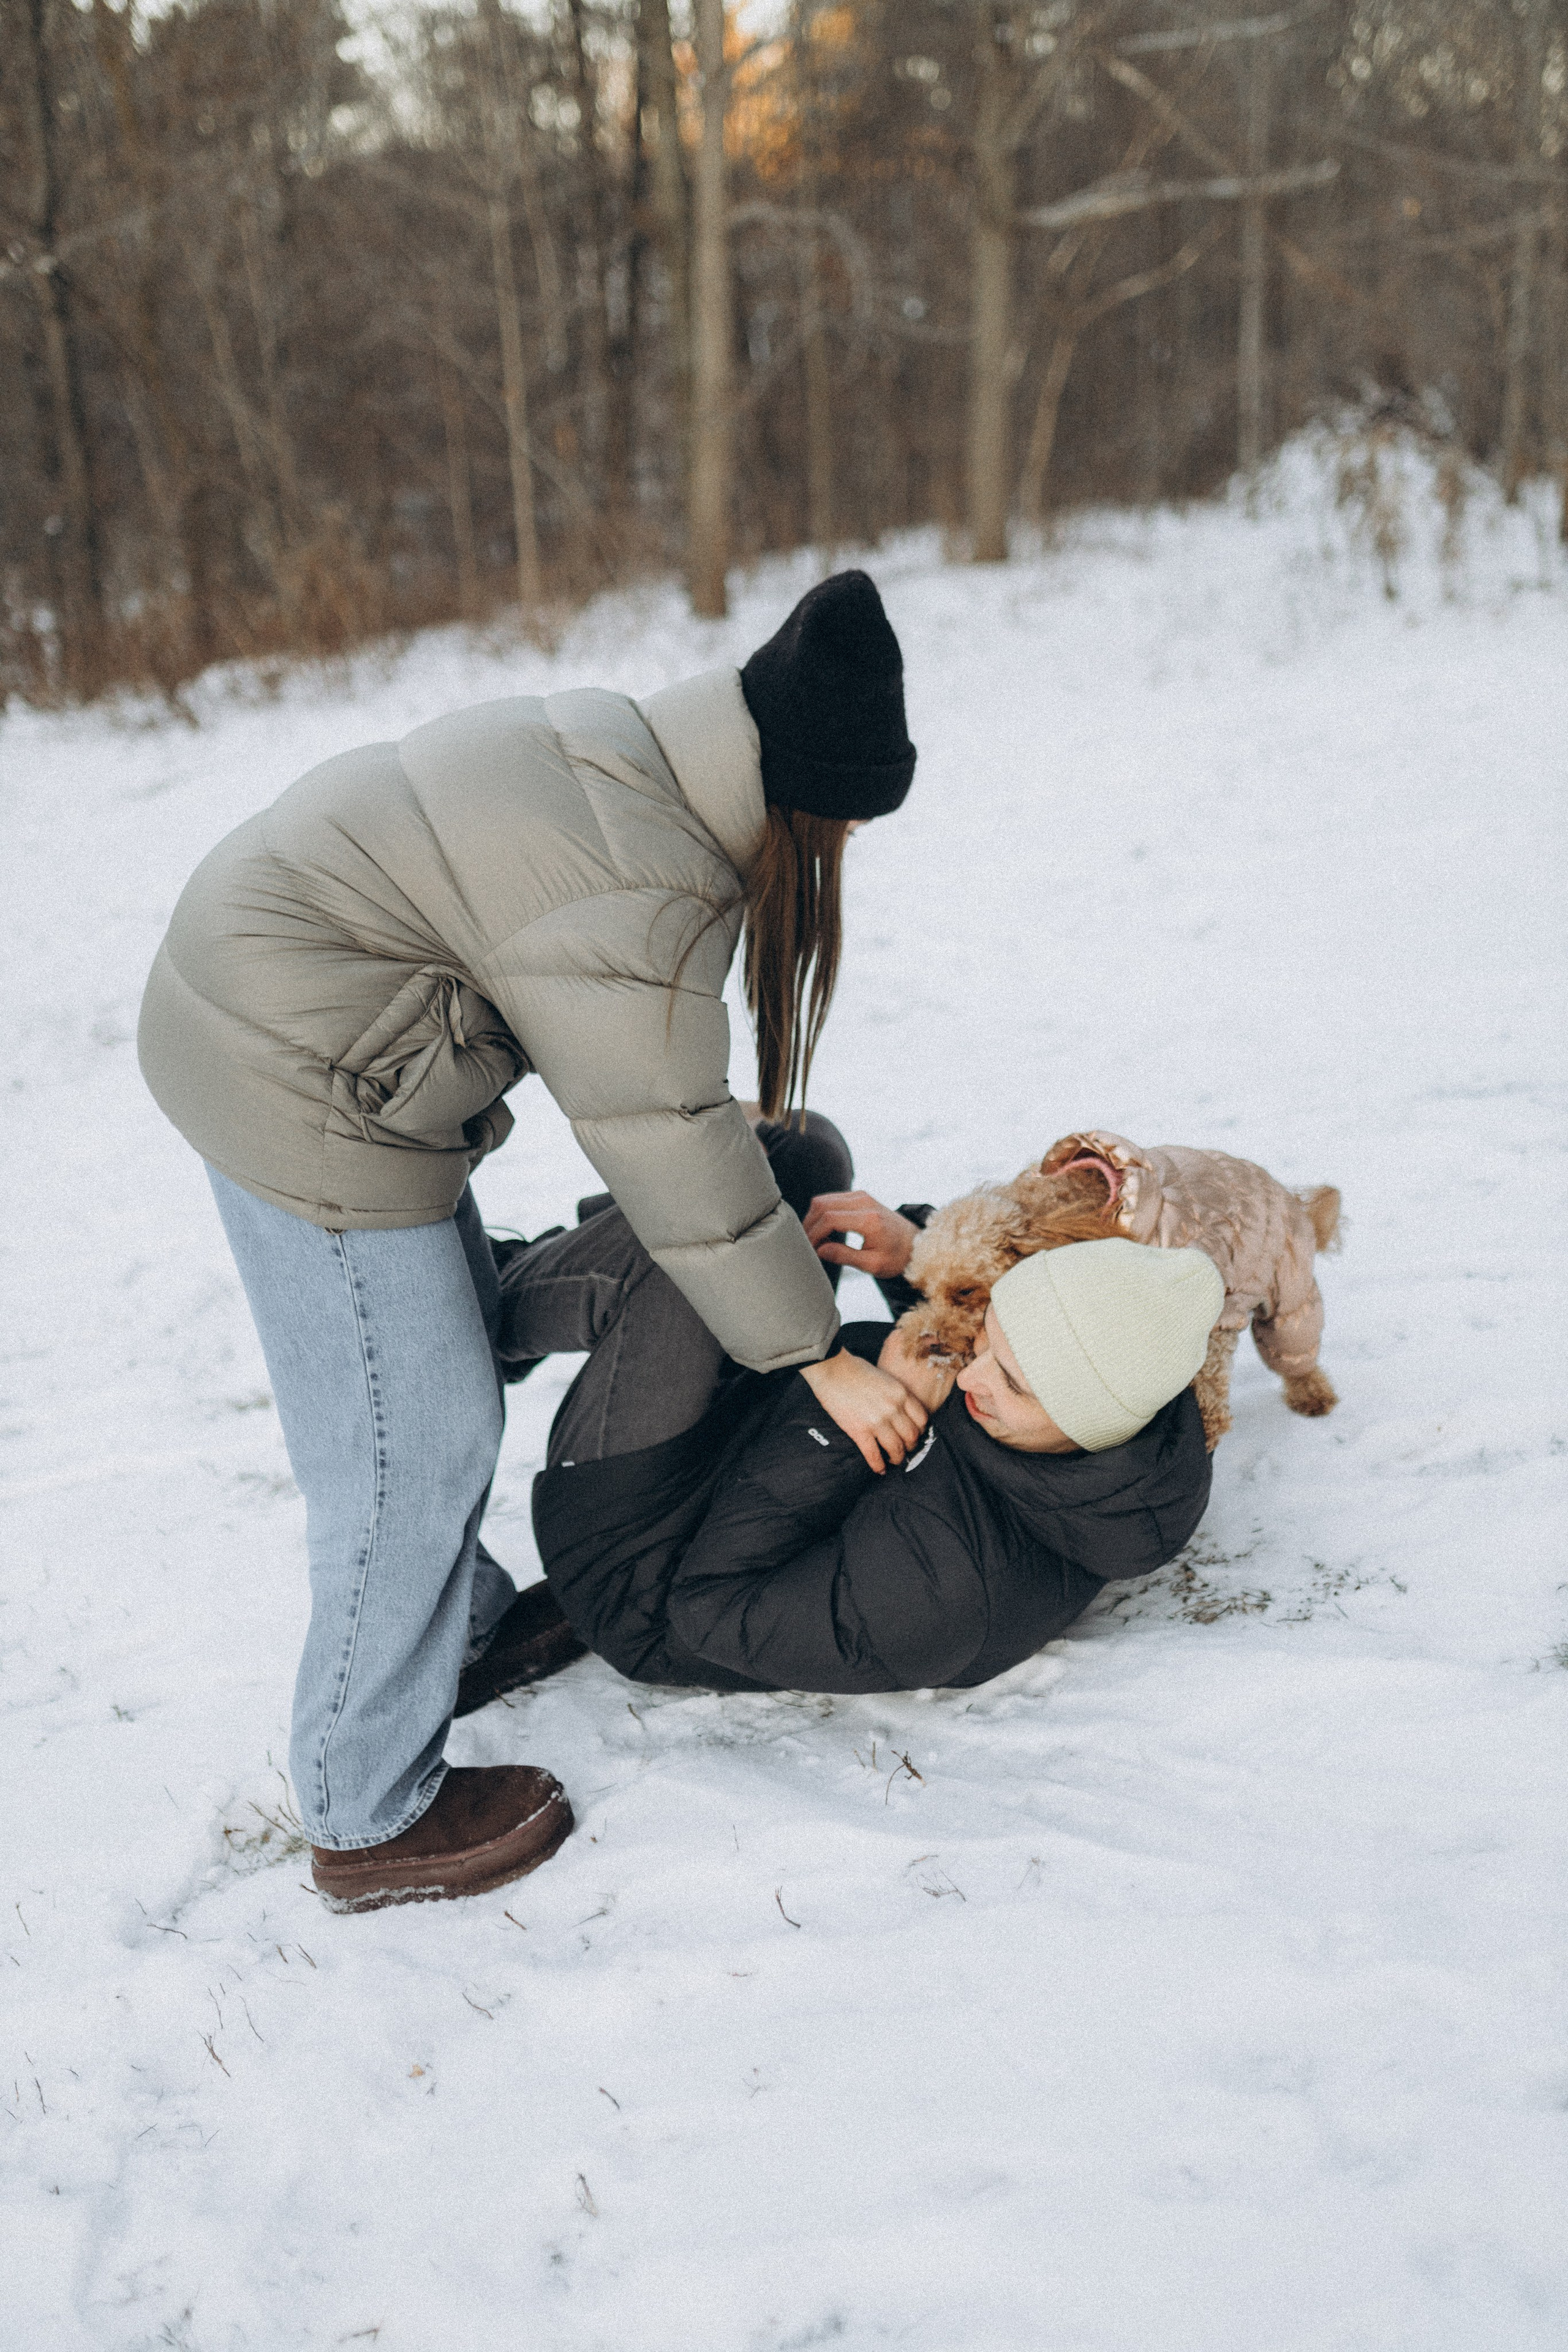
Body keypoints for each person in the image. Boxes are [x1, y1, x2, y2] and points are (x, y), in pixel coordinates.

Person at [136, 572, 925, 1914]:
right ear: (803, 798)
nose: (839, 851)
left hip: (319, 1025)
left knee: (426, 1358)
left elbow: (633, 1062)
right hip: (295, 1073)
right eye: (845, 824)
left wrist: (688, 1113)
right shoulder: (652, 874)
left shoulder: (644, 755)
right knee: (413, 1437)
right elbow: (664, 1135)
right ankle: (363, 1804)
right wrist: (816, 1355)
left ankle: (461, 1629)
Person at [456, 1165, 1223, 1711]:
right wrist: (911, 1256)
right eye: (986, 1338)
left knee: (684, 1239)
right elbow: (1013, 1348)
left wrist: (842, 1424)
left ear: (1086, 1419)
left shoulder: (951, 1593)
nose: (971, 1374)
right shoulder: (1084, 1417)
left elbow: (709, 1610)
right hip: (749, 1433)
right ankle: (522, 1283)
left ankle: (445, 1330)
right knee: (791, 1159)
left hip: (642, 1566)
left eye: (1010, 1381)